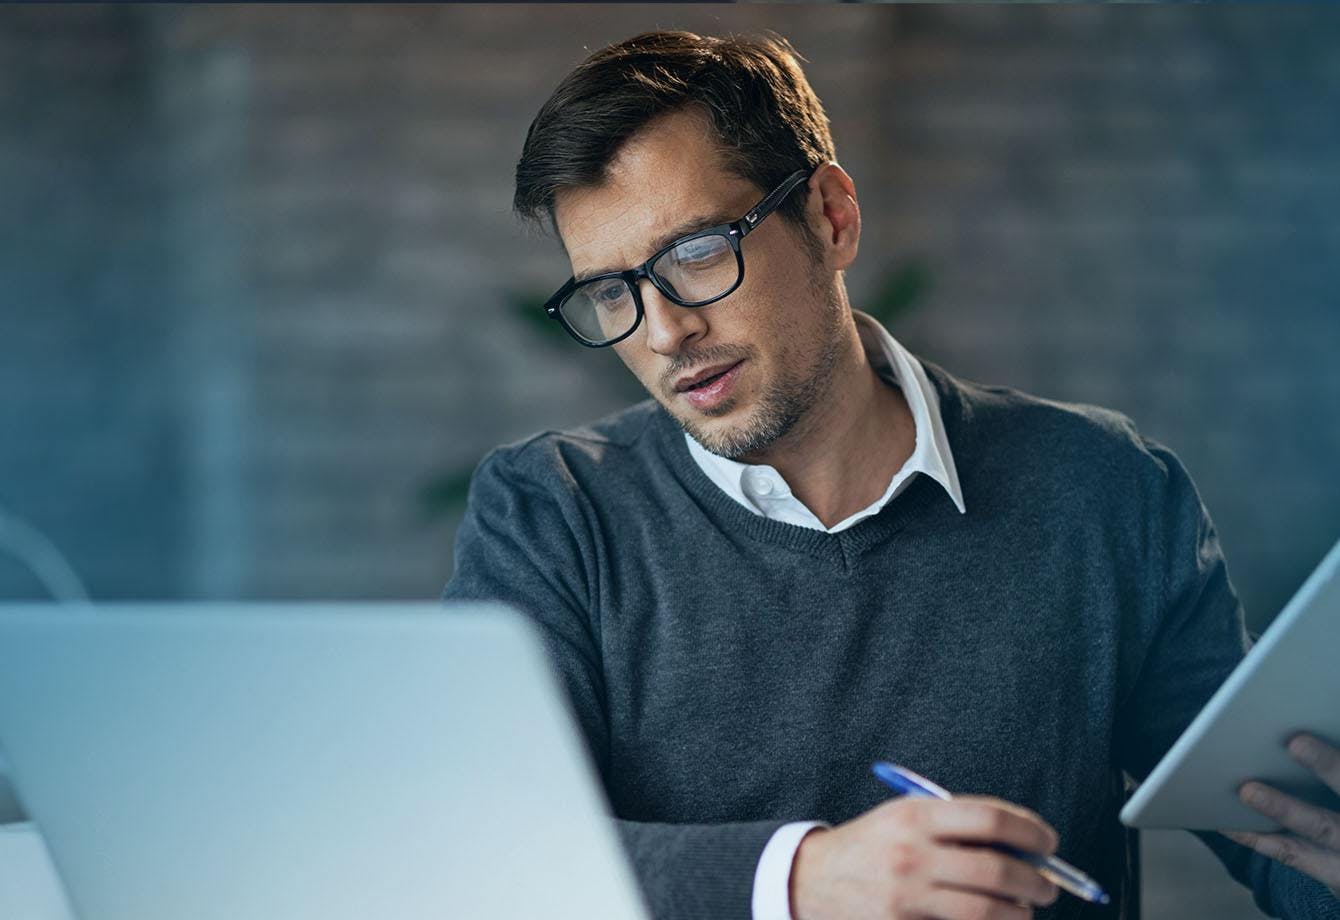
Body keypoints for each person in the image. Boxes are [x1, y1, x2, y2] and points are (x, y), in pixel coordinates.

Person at [443, 30, 1340, 920]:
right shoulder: (549, 513)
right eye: (612, 291)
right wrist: (800, 879)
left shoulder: (1107, 491)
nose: (664, 331)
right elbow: (478, 848)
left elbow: (1282, 829)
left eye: (697, 253)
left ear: (831, 217)